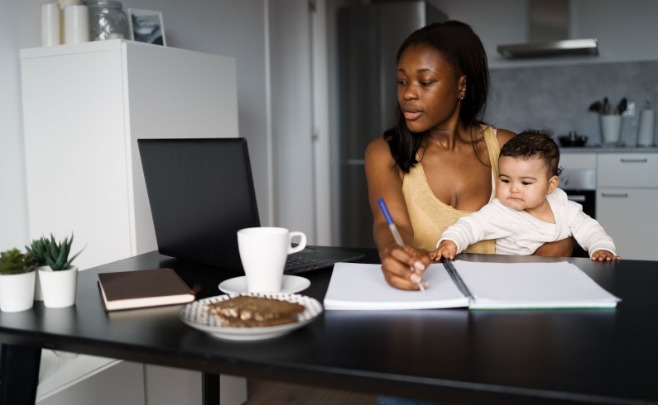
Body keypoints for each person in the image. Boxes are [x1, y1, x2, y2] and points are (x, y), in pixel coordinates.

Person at [365, 21, 572, 292]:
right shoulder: (384, 152)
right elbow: (391, 224)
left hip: (504, 305)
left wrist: (521, 288)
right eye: (402, 81)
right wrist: (395, 251)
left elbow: (558, 234)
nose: (408, 93)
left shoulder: (505, 147)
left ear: (461, 86)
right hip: (428, 301)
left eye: (425, 82)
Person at [432, 130, 620, 262]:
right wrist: (451, 242)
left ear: (550, 185)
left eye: (526, 183)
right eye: (505, 180)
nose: (514, 189)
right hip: (512, 279)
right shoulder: (501, 211)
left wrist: (601, 249)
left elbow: (589, 229)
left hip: (556, 278)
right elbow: (471, 226)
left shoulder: (563, 207)